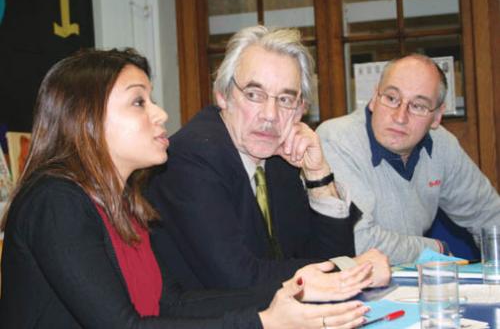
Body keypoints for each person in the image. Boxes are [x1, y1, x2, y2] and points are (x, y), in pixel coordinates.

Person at [0, 48, 372, 328]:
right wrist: (264, 322)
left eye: (152, 100)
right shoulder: (55, 203)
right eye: (138, 102)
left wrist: (293, 292)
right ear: (86, 120)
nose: (160, 114)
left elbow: (170, 303)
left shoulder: (125, 202)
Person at [147, 25, 390, 293]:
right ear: (223, 95)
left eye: (286, 99)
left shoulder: (278, 158)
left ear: (301, 110)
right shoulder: (191, 157)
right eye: (254, 95)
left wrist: (318, 174)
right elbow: (238, 278)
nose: (270, 115)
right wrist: (349, 270)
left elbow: (321, 254)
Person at [317, 53, 500, 265]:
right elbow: (358, 241)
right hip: (346, 287)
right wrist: (435, 249)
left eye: (418, 106)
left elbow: (489, 216)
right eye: (392, 98)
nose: (400, 117)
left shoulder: (442, 146)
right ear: (374, 98)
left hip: (409, 289)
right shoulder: (337, 139)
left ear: (437, 116)